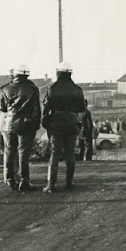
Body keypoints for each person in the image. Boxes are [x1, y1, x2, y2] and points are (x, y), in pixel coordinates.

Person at [41, 61, 86, 193]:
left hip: (56, 123)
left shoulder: (52, 89)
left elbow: (46, 108)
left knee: (54, 153)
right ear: (70, 73)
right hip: (71, 122)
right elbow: (82, 109)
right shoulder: (77, 90)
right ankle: (69, 181)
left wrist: (46, 123)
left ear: (58, 73)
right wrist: (78, 124)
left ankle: (51, 184)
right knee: (70, 152)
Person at [0, 64, 42, 190]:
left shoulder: (4, 88)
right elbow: (36, 110)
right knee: (23, 153)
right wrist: (35, 124)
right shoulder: (32, 89)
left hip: (9, 123)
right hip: (26, 124)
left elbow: (2, 108)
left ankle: (10, 179)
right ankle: (24, 181)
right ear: (27, 74)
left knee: (9, 152)